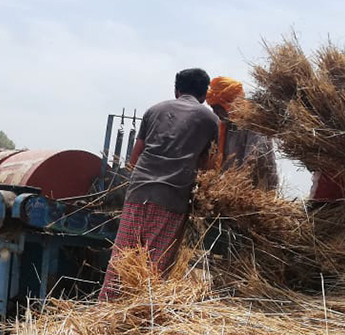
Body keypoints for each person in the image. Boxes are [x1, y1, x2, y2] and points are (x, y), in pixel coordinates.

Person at [98, 68, 219, 301]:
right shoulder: (210, 120)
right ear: (204, 95)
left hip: (137, 192)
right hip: (171, 198)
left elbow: (134, 160)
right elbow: (207, 167)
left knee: (121, 262)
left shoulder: (153, 111)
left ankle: (106, 312)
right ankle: (143, 316)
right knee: (154, 267)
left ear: (176, 90)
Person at [204, 76, 278, 191]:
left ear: (229, 104)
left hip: (256, 190)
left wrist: (236, 183)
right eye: (213, 108)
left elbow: (257, 158)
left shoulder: (254, 121)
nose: (215, 112)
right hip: (230, 190)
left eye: (218, 108)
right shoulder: (224, 125)